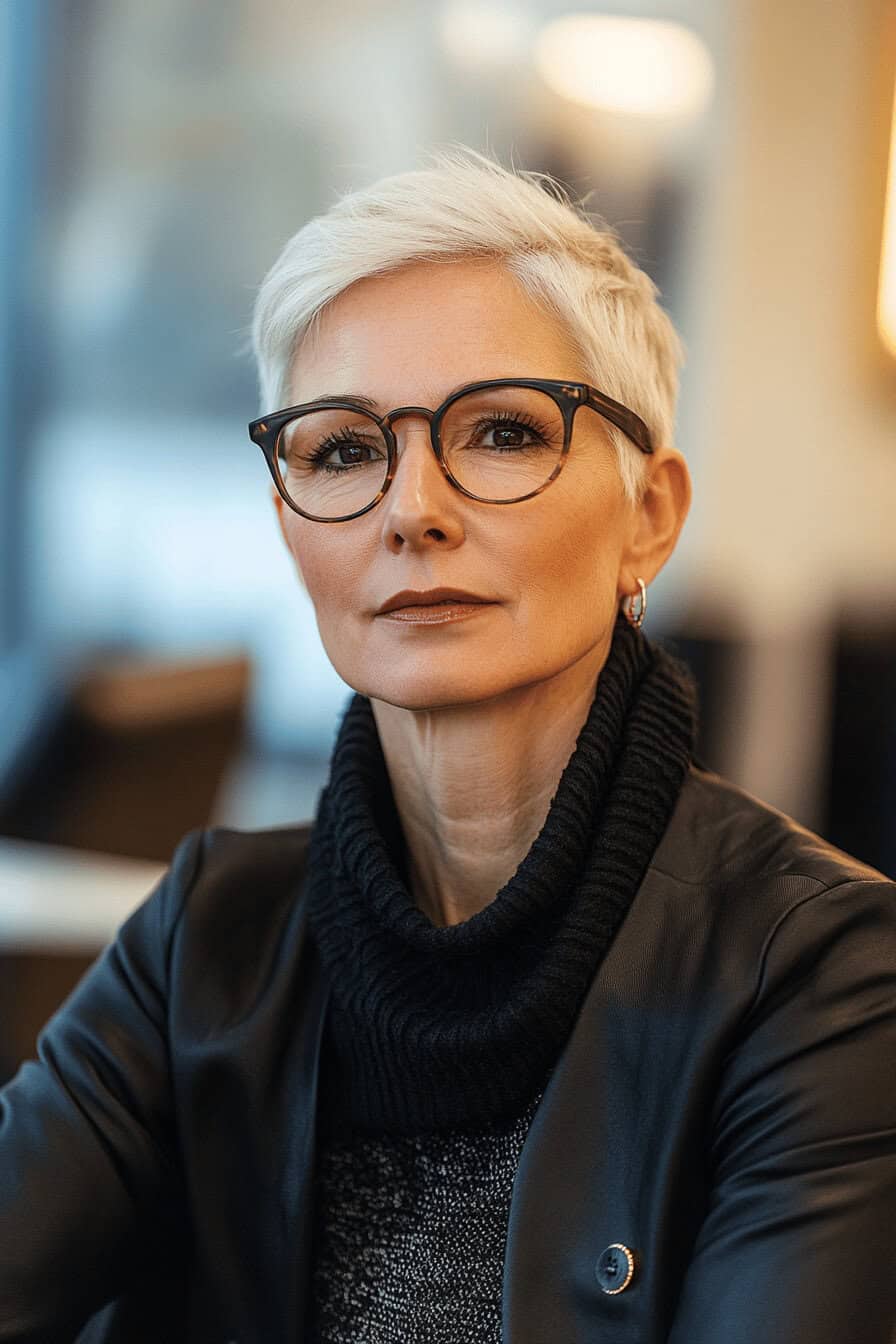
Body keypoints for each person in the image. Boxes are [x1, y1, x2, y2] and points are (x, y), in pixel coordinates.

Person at [1, 146, 895, 1344]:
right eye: (343, 450)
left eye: (502, 434)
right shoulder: (204, 936)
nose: (410, 507)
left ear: (649, 517)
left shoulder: (824, 978)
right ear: (287, 522)